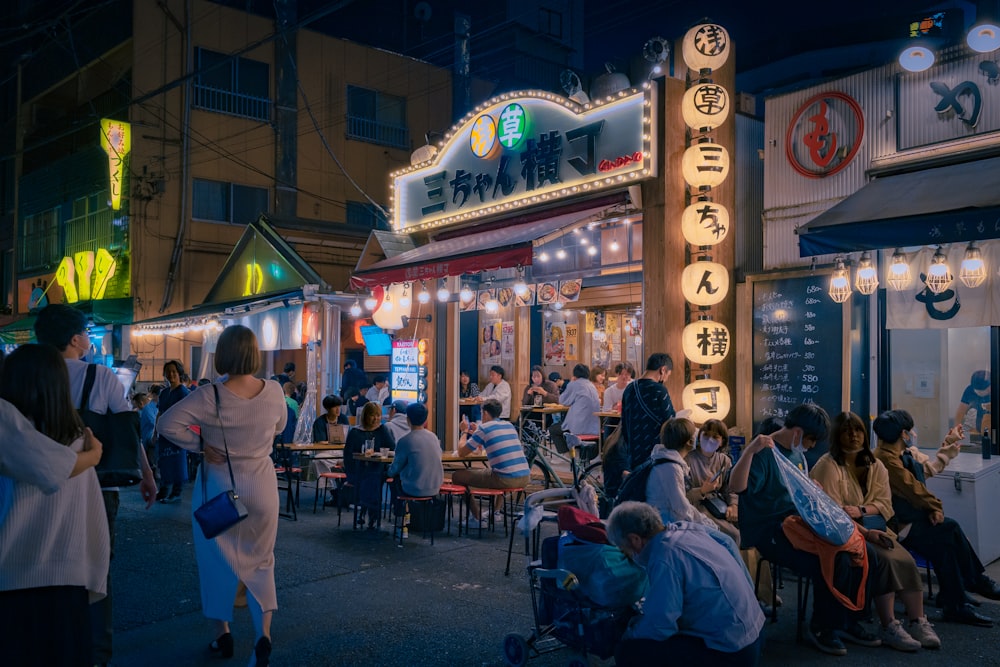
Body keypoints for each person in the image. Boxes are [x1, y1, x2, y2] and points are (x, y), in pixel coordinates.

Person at [34, 303, 156, 667]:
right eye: (86, 333)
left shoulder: (29, 377)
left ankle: (50, 644)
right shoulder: (100, 377)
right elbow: (126, 433)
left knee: (47, 564)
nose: (88, 339)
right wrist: (147, 476)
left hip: (43, 484)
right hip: (97, 487)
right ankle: (96, 653)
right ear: (75, 339)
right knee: (96, 567)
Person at [157, 324, 287, 667]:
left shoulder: (208, 394)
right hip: (261, 485)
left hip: (219, 488)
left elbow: (166, 425)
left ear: (223, 354)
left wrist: (201, 444)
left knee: (217, 561)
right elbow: (280, 427)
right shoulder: (273, 391)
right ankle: (263, 638)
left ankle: (222, 635)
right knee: (262, 562)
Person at [729, 403, 890, 656]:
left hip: (799, 524)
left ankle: (851, 621)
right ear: (798, 433)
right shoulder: (764, 453)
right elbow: (736, 486)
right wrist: (749, 450)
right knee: (832, 559)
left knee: (865, 552)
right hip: (769, 532)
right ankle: (823, 628)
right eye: (812, 439)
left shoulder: (796, 455)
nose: (812, 446)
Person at [0, 344, 110, 667]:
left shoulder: (10, 434)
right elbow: (94, 520)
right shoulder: (80, 440)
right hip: (69, 583)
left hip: (12, 581)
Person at [811, 411, 939, 650]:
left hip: (875, 527)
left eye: (858, 429)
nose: (853, 435)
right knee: (884, 560)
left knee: (906, 560)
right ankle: (889, 624)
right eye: (847, 430)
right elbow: (833, 511)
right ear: (836, 435)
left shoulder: (874, 463)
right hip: (846, 533)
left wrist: (861, 509)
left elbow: (885, 505)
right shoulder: (827, 465)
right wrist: (864, 521)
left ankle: (917, 621)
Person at [873, 409, 1000, 627]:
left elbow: (926, 472)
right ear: (903, 433)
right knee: (949, 529)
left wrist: (948, 447)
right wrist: (935, 506)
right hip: (896, 526)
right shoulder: (886, 460)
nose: (912, 434)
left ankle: (955, 599)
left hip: (911, 520)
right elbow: (913, 488)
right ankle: (973, 584)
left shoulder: (903, 454)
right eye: (910, 430)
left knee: (945, 544)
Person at [607, 502, 765, 667]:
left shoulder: (663, 556)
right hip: (756, 632)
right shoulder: (686, 529)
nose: (628, 554)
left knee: (628, 650)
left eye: (624, 549)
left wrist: (629, 633)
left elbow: (660, 626)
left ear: (635, 539)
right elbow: (728, 542)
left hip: (733, 651)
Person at [647, 418, 719, 529]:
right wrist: (709, 525)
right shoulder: (671, 468)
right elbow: (682, 509)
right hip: (666, 525)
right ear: (690, 442)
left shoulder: (665, 461)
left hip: (668, 520)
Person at [455, 399, 531, 492]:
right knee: (496, 471)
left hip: (505, 479)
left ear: (485, 413)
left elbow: (461, 452)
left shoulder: (484, 428)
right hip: (525, 476)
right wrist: (476, 433)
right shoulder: (509, 425)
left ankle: (474, 507)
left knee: (457, 476)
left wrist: (464, 431)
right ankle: (497, 507)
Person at [620, 352, 676, 472]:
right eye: (668, 375)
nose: (665, 379)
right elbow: (670, 421)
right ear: (663, 370)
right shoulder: (659, 390)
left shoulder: (629, 389)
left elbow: (624, 423)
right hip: (653, 454)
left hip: (633, 452)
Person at [344, 401, 396, 528]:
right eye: (372, 415)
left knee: (374, 478)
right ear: (365, 416)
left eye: (378, 415)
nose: (375, 419)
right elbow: (348, 455)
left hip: (378, 468)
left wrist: (378, 453)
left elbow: (392, 448)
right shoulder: (355, 432)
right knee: (371, 480)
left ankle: (364, 511)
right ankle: (372, 514)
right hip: (357, 469)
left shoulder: (382, 430)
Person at [387, 402, 443, 499]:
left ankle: (399, 511)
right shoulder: (433, 437)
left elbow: (394, 469)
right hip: (435, 488)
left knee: (394, 479)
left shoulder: (405, 441)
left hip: (413, 489)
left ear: (408, 419)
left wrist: (386, 472)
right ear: (425, 420)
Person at [157, 360, 191, 503]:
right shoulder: (164, 392)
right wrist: (155, 432)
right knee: (164, 461)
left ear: (179, 373)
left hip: (178, 434)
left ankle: (176, 492)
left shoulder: (183, 393)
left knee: (177, 461)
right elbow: (160, 412)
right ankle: (164, 489)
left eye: (173, 372)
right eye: (168, 372)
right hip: (164, 434)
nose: (170, 374)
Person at [559, 363, 601, 436]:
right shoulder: (592, 385)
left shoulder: (575, 384)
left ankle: (569, 447)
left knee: (553, 430)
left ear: (575, 375)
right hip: (594, 427)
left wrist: (571, 382)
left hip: (579, 427)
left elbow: (562, 401)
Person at [955, 369, 991, 434]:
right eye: (977, 390)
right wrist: (957, 430)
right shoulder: (970, 390)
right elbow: (961, 411)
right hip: (977, 425)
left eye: (983, 389)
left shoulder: (996, 389)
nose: (980, 393)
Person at [140, 384, 162, 483]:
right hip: (149, 434)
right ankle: (157, 467)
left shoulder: (159, 407)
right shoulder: (148, 408)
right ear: (154, 395)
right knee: (158, 440)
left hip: (157, 432)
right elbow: (153, 422)